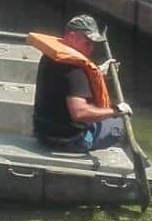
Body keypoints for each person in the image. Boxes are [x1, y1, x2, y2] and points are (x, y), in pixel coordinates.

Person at [30, 14, 131, 152]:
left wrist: (99, 73)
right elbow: (79, 113)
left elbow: (66, 84)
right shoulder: (75, 69)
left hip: (43, 134)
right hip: (70, 141)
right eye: (87, 43)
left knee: (103, 115)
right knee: (120, 125)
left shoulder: (50, 56)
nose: (91, 49)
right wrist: (116, 110)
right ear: (72, 37)